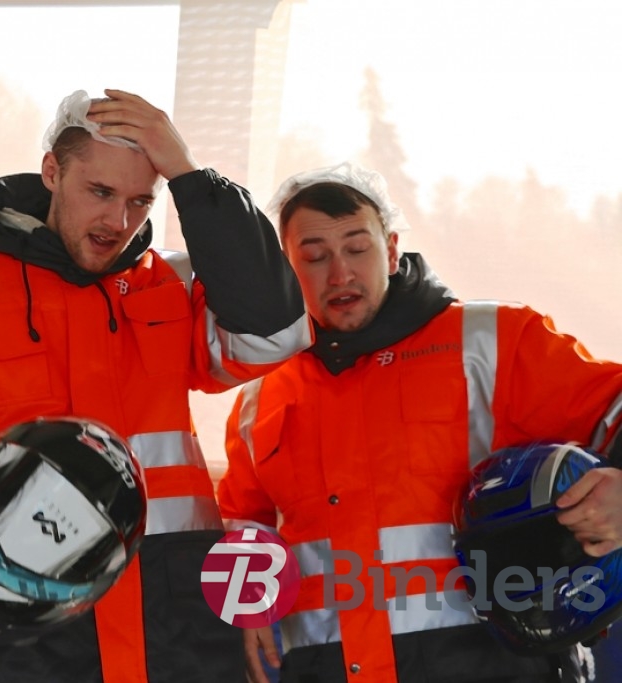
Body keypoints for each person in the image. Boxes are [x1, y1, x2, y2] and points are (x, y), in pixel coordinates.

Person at [0, 88, 311, 683]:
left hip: (174, 612)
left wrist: (189, 175)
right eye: (100, 192)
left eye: (140, 200)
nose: (118, 222)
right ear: (52, 171)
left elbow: (275, 333)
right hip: (28, 611)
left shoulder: (174, 284)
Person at [217, 161, 622, 683]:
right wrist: (245, 604)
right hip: (326, 669)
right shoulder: (260, 396)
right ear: (286, 270)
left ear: (391, 249)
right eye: (314, 257)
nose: (340, 274)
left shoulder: (490, 342)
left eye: (357, 249)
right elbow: (244, 518)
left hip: (486, 663)